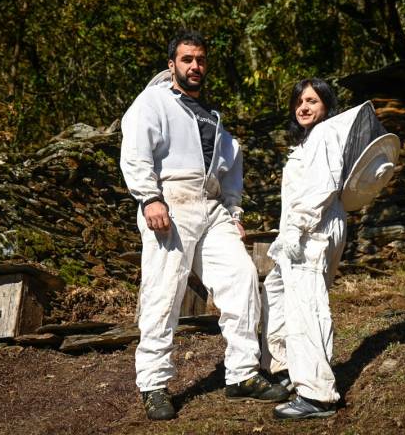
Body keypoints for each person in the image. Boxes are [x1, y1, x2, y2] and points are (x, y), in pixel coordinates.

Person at [120, 30, 289, 421]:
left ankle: (243, 373)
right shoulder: (153, 102)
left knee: (243, 277)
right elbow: (135, 151)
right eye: (186, 59)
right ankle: (153, 384)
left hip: (212, 206)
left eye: (200, 60)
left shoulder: (212, 116)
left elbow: (232, 166)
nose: (194, 66)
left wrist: (234, 212)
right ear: (171, 64)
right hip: (170, 201)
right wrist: (149, 197)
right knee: (164, 292)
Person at [260, 78, 346, 420]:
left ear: (326, 105)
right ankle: (285, 370)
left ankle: (318, 395)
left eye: (312, 100)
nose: (304, 107)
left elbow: (321, 190)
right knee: (276, 290)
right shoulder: (309, 141)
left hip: (312, 231)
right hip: (298, 233)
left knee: (306, 307)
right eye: (299, 101)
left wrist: (295, 230)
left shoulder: (325, 135)